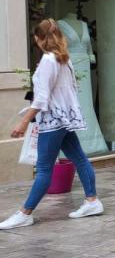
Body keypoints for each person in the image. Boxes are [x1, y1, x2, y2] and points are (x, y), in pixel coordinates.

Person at [1, 19, 102, 230]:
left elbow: (41, 98)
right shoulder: (64, 59)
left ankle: (25, 213)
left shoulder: (49, 60)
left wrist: (23, 122)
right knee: (80, 159)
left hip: (54, 121)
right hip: (65, 119)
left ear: (39, 39)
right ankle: (92, 201)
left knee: (44, 168)